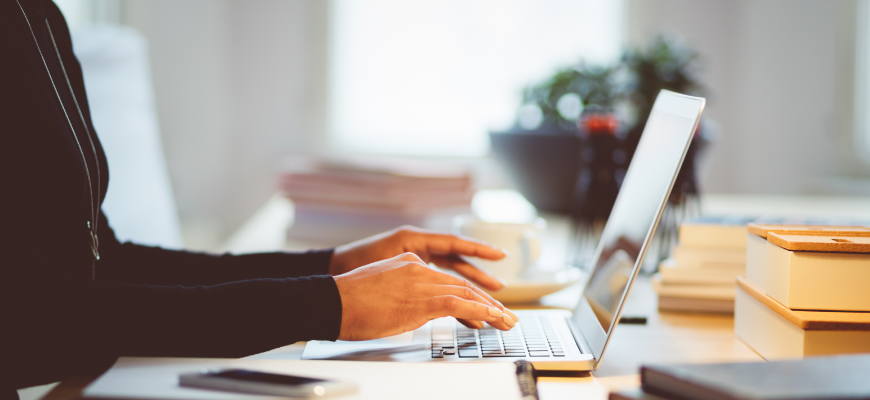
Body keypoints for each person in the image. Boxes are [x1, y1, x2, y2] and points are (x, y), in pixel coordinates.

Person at [0, 0, 518, 396]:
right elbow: (38, 322)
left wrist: (334, 266)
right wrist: (326, 304)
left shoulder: (39, 17)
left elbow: (104, 264)